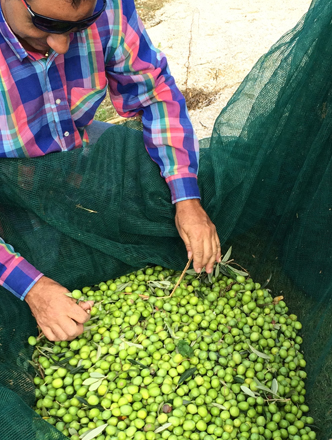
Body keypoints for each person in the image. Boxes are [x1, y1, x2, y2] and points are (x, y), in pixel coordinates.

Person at [0, 0, 221, 341]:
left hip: (77, 171)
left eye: (80, 25)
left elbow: (154, 93)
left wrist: (186, 198)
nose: (62, 45)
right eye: (44, 24)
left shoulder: (111, 7)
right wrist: (32, 287)